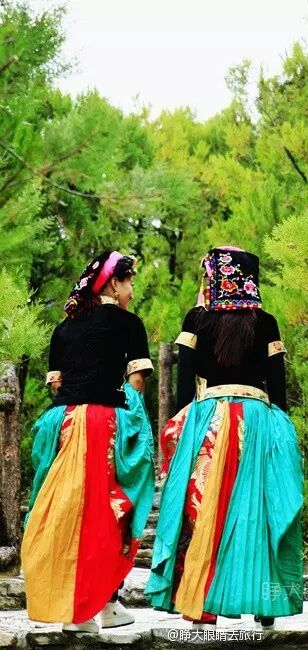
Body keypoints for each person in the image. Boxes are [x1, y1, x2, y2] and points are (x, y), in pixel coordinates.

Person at [145, 246, 304, 630]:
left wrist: (184, 418)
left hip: (209, 420)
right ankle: (265, 607)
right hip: (257, 420)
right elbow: (277, 381)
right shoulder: (266, 322)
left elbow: (185, 378)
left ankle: (202, 607)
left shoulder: (197, 319)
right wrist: (281, 423)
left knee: (202, 509)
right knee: (260, 508)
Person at [21, 250, 155, 633]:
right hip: (104, 422)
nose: (132, 291)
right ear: (113, 283)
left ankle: (84, 608)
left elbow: (57, 385)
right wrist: (135, 431)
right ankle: (98, 606)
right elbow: (136, 383)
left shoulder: (64, 328)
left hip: (60, 423)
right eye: (129, 282)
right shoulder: (129, 324)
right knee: (110, 510)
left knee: (62, 510)